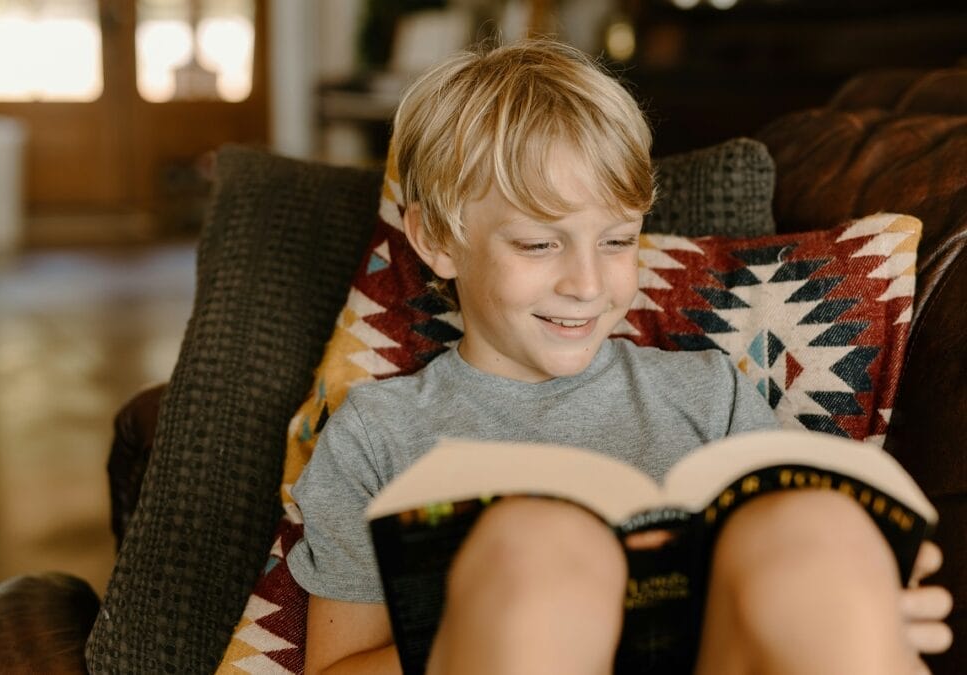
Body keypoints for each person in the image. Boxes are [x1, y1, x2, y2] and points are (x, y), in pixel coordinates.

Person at [285, 39, 952, 674]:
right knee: (535, 549)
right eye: (539, 244)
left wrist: (864, 598)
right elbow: (337, 665)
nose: (587, 283)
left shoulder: (708, 394)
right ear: (436, 237)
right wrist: (478, 620)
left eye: (616, 240)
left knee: (813, 528)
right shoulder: (378, 434)